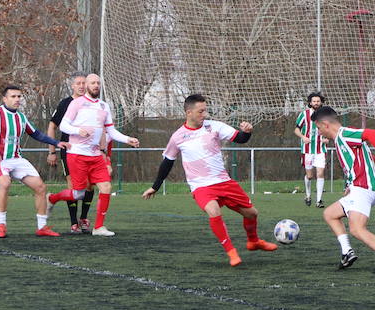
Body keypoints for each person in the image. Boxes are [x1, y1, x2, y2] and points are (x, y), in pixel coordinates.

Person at [142, 94, 276, 266]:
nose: (204, 114)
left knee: (252, 213)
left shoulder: (214, 126)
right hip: (201, 186)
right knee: (214, 211)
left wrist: (247, 132)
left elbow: (240, 139)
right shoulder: (178, 137)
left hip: (223, 182)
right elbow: (167, 162)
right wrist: (155, 186)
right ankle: (232, 252)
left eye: (205, 110)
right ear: (189, 112)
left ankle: (253, 241)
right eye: (201, 111)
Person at [310, 106, 375, 273]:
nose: (318, 132)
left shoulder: (344, 134)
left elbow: (371, 134)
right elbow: (371, 161)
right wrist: (349, 184)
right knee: (330, 214)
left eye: (318, 128)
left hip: (364, 188)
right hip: (359, 187)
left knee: (356, 228)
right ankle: (347, 252)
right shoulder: (341, 140)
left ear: (325, 124)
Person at [48, 73, 140, 236]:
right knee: (78, 193)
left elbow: (110, 130)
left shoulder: (104, 106)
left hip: (96, 155)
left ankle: (98, 227)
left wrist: (127, 139)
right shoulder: (77, 103)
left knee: (106, 187)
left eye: (98, 83)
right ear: (87, 86)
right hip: (77, 154)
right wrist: (78, 130)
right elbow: (63, 126)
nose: (95, 85)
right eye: (92, 83)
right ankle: (52, 199)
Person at [0, 85, 68, 238]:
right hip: (0, 159)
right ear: (4, 99)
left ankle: (42, 227)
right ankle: (1, 225)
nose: (17, 99)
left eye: (19, 96)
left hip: (17, 159)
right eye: (13, 96)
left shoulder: (21, 117)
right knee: (5, 183)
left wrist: (56, 142)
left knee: (40, 187)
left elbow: (37, 134)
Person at [46, 71, 90, 232]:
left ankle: (84, 218)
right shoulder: (65, 104)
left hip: (89, 151)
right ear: (72, 85)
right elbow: (52, 126)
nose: (81, 86)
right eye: (78, 83)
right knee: (74, 186)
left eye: (84, 83)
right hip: (70, 151)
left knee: (89, 185)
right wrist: (52, 151)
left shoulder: (93, 103)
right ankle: (74, 223)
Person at [293, 91, 329, 208]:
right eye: (314, 101)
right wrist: (303, 137)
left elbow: (331, 130)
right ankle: (308, 195)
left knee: (320, 173)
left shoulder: (326, 115)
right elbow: (296, 130)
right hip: (307, 150)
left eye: (318, 101)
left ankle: (319, 200)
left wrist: (327, 138)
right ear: (310, 102)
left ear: (321, 102)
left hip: (321, 150)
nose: (316, 103)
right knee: (309, 176)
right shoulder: (304, 114)